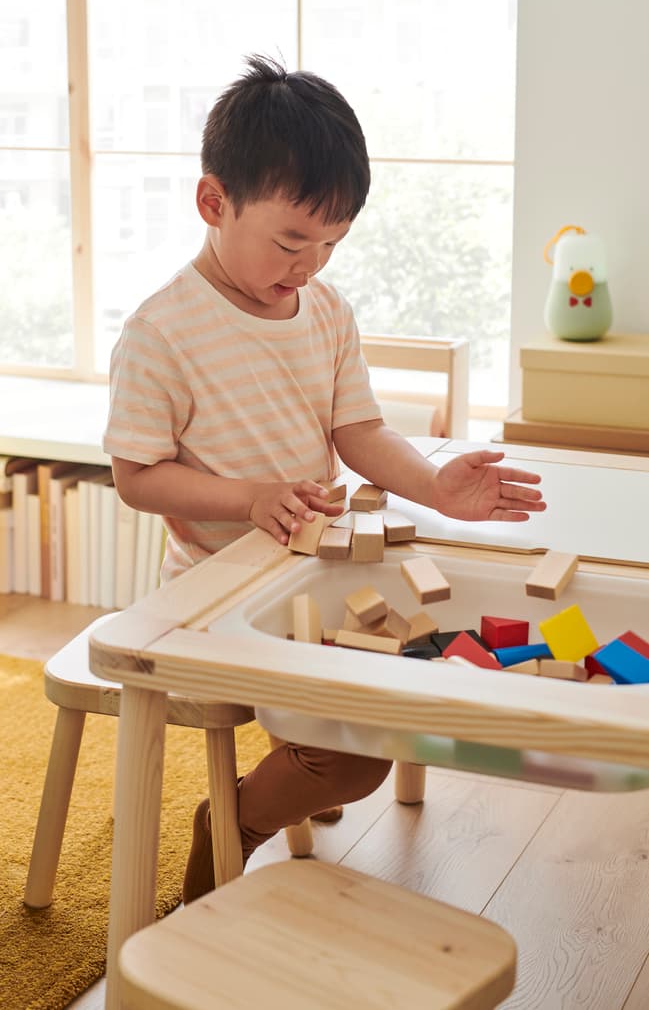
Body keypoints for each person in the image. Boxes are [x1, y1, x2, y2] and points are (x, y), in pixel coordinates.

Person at [103, 54, 546, 904]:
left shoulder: (328, 312)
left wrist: (435, 487)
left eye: (331, 243)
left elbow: (358, 432)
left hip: (313, 571)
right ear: (212, 203)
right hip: (213, 596)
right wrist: (248, 498)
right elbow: (137, 476)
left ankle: (295, 774)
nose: (310, 263)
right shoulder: (161, 331)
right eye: (290, 241)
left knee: (415, 671)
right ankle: (232, 823)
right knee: (355, 755)